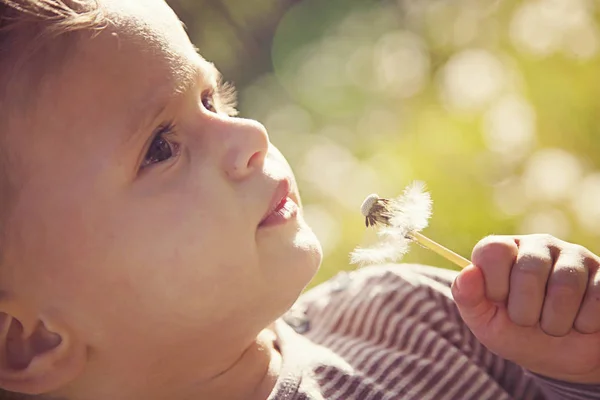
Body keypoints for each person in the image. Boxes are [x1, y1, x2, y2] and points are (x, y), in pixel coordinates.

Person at [0, 0, 599, 399]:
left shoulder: (417, 317)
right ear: (32, 341)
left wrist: (577, 369)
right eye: (161, 147)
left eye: (213, 100)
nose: (251, 136)